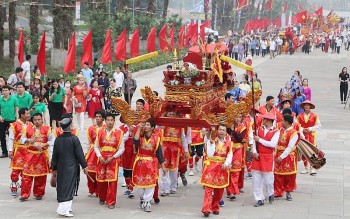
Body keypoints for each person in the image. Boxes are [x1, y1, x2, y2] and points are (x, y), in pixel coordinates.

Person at [51, 117, 88, 217]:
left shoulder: (58, 140)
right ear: (70, 126)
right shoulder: (74, 139)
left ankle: (63, 207)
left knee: (62, 186)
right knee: (70, 186)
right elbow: (80, 154)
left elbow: (54, 155)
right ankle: (64, 210)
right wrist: (85, 166)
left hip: (61, 167)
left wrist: (53, 167)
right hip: (71, 167)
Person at [133, 119, 165, 212]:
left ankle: (147, 202)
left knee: (150, 183)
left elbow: (159, 152)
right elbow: (135, 142)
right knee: (139, 183)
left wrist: (162, 165)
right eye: (145, 124)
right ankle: (142, 198)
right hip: (140, 162)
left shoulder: (156, 138)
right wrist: (139, 129)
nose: (145, 126)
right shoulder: (140, 135)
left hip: (151, 163)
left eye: (147, 125)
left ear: (152, 127)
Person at [94, 113, 125, 209]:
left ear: (114, 121)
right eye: (108, 120)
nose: (110, 122)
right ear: (105, 121)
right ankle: (102, 197)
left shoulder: (119, 133)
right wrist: (100, 156)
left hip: (113, 160)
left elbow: (121, 148)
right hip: (102, 159)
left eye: (112, 120)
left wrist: (113, 157)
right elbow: (96, 147)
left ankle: (111, 201)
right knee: (101, 180)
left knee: (112, 181)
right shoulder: (99, 132)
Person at [200, 124, 232, 217]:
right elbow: (209, 154)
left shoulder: (229, 142)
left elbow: (230, 155)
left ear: (226, 132)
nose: (222, 131)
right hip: (211, 167)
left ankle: (215, 207)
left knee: (219, 189)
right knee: (208, 188)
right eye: (220, 130)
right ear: (217, 131)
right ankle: (206, 208)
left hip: (222, 167)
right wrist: (211, 143)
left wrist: (226, 164)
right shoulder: (212, 140)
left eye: (224, 130)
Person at [19, 113, 52, 201]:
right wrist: (28, 140)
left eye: (38, 119)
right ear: (32, 120)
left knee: (40, 176)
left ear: (42, 120)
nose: (37, 121)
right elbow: (21, 139)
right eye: (35, 120)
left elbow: (52, 141)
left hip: (41, 155)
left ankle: (39, 193)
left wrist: (45, 144)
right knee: (26, 175)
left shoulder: (47, 129)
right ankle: (24, 194)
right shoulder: (28, 129)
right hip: (30, 154)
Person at [251, 112, 280, 207]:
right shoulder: (258, 129)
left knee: (268, 179)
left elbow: (272, 144)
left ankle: (271, 192)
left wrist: (259, 140)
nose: (263, 121)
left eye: (264, 119)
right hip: (258, 156)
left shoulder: (276, 131)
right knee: (256, 178)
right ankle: (259, 198)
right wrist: (254, 152)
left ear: (269, 121)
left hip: (268, 157)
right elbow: (253, 142)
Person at [159, 111, 189, 196]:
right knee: (164, 169)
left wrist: (186, 150)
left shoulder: (180, 127)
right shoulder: (163, 125)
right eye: (169, 114)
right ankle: (165, 189)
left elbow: (183, 139)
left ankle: (173, 187)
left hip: (175, 151)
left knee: (174, 170)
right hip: (164, 150)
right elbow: (156, 126)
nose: (171, 116)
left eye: (172, 114)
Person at [274, 114, 299, 201]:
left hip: (288, 156)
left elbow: (290, 147)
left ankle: (288, 192)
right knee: (277, 174)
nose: (281, 122)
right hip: (278, 154)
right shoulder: (280, 130)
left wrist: (282, 156)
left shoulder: (294, 133)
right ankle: (278, 192)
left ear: (287, 122)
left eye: (282, 121)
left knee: (289, 175)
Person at [8, 108, 32, 196]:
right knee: (16, 169)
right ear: (22, 115)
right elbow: (11, 138)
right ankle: (13, 185)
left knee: (26, 169)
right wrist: (10, 150)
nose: (29, 115)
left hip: (28, 150)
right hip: (18, 150)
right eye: (27, 114)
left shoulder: (31, 124)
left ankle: (24, 184)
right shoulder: (14, 125)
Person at [296, 100, 321, 175]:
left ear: (310, 107)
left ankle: (313, 167)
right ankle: (305, 167)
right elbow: (297, 125)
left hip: (311, 135)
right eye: (305, 105)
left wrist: (310, 129)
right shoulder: (299, 116)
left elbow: (319, 125)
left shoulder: (314, 116)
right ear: (303, 107)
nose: (306, 106)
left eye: (308, 105)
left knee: (312, 151)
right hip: (303, 135)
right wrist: (302, 129)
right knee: (304, 151)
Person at [227, 115, 248, 200]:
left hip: (238, 149)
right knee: (227, 170)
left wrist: (233, 131)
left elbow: (239, 139)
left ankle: (232, 191)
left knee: (235, 170)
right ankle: (229, 190)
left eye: (239, 117)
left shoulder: (243, 127)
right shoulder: (227, 126)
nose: (238, 119)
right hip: (228, 148)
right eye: (236, 117)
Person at [86, 110, 106, 197]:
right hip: (92, 151)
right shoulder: (91, 128)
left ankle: (99, 190)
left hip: (102, 151)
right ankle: (91, 189)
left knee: (100, 171)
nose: (98, 118)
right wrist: (86, 152)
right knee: (90, 171)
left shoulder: (106, 128)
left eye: (100, 117)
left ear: (103, 118)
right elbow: (88, 142)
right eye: (96, 117)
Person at [0, 85, 19, 157]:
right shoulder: (0, 99)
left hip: (12, 120)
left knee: (13, 136)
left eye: (6, 90)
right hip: (2, 120)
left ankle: (13, 151)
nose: (4, 92)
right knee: (2, 136)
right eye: (3, 91)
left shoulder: (14, 99)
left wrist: (17, 119)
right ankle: (4, 152)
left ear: (9, 91)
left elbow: (17, 109)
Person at [119, 118, 136, 198]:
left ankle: (131, 188)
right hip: (125, 152)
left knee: (132, 169)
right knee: (126, 170)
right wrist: (128, 131)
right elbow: (121, 140)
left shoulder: (136, 128)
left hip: (134, 152)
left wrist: (132, 132)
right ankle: (128, 186)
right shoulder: (121, 128)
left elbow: (137, 139)